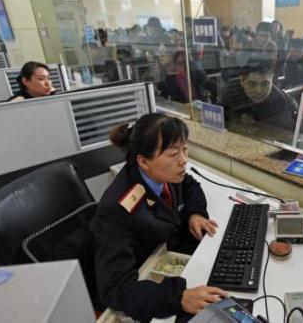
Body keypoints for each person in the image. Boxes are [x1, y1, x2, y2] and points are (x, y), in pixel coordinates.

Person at [92, 114, 228, 322]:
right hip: (146, 280)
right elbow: (115, 288)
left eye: (184, 149)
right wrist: (177, 297)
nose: (184, 160)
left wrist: (194, 213)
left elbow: (190, 185)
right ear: (144, 161)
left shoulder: (166, 174)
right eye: (174, 154)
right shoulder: (116, 209)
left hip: (167, 256)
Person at [220, 58, 297, 130]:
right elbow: (220, 115)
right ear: (242, 81)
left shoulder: (278, 101)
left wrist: (257, 125)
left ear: (272, 81)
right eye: (252, 84)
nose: (258, 91)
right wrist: (235, 118)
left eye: (265, 84)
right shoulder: (232, 88)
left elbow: (282, 135)